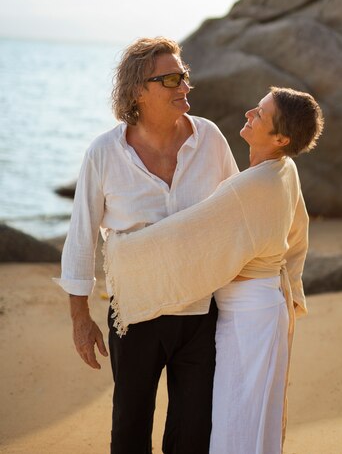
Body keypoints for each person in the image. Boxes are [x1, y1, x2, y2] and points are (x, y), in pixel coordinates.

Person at [104, 87, 324, 454]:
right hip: (264, 309)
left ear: (281, 138)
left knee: (234, 421)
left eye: (261, 114)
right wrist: (287, 282)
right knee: (251, 417)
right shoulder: (286, 170)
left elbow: (186, 237)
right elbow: (298, 236)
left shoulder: (250, 185)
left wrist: (124, 254)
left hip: (247, 320)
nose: (249, 112)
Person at [54, 37, 238, 454]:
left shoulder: (209, 138)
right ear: (138, 90)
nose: (184, 86)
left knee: (193, 434)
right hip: (135, 317)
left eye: (184, 76)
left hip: (199, 314)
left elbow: (236, 215)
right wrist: (80, 319)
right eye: (170, 79)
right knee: (131, 431)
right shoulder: (104, 153)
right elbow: (81, 235)